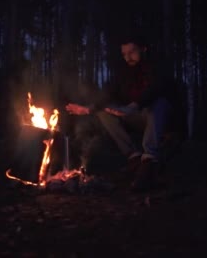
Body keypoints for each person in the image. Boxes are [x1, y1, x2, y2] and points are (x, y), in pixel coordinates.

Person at [65, 33, 175, 191]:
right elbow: (109, 94)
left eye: (132, 52)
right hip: (136, 117)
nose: (128, 57)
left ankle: (149, 160)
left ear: (143, 49)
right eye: (124, 54)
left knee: (160, 103)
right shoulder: (124, 73)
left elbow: (156, 89)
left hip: (159, 117)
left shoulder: (156, 66)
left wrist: (135, 105)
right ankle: (134, 158)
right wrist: (88, 109)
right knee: (103, 110)